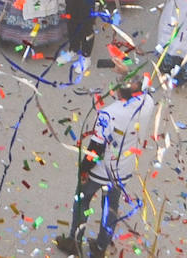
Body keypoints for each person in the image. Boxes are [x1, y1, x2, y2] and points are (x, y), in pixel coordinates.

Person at [54, 75, 155, 258]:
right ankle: (101, 247)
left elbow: (96, 149)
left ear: (117, 90)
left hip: (100, 171)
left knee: (82, 201)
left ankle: (75, 243)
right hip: (123, 171)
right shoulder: (147, 103)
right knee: (111, 206)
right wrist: (127, 71)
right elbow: (145, 88)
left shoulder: (109, 113)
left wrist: (84, 169)